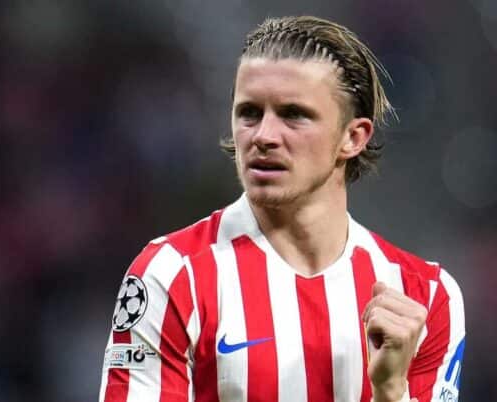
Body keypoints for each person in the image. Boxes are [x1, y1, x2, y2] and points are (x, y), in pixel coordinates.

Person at [99, 15, 465, 402]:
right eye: (249, 113)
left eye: (294, 114)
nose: (263, 136)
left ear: (352, 137)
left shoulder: (425, 296)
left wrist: (390, 391)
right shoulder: (173, 276)